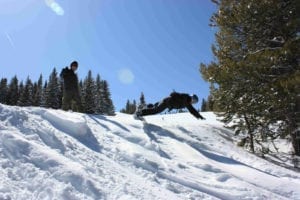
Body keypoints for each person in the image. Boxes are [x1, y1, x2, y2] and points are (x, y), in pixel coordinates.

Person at [135, 92, 205, 120]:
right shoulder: (185, 97)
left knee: (155, 108)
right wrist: (174, 96)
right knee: (155, 111)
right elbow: (174, 94)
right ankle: (140, 113)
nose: (193, 103)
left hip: (166, 102)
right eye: (194, 101)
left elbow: (192, 111)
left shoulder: (187, 102)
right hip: (166, 102)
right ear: (192, 98)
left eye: (194, 102)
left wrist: (199, 117)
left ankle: (143, 109)